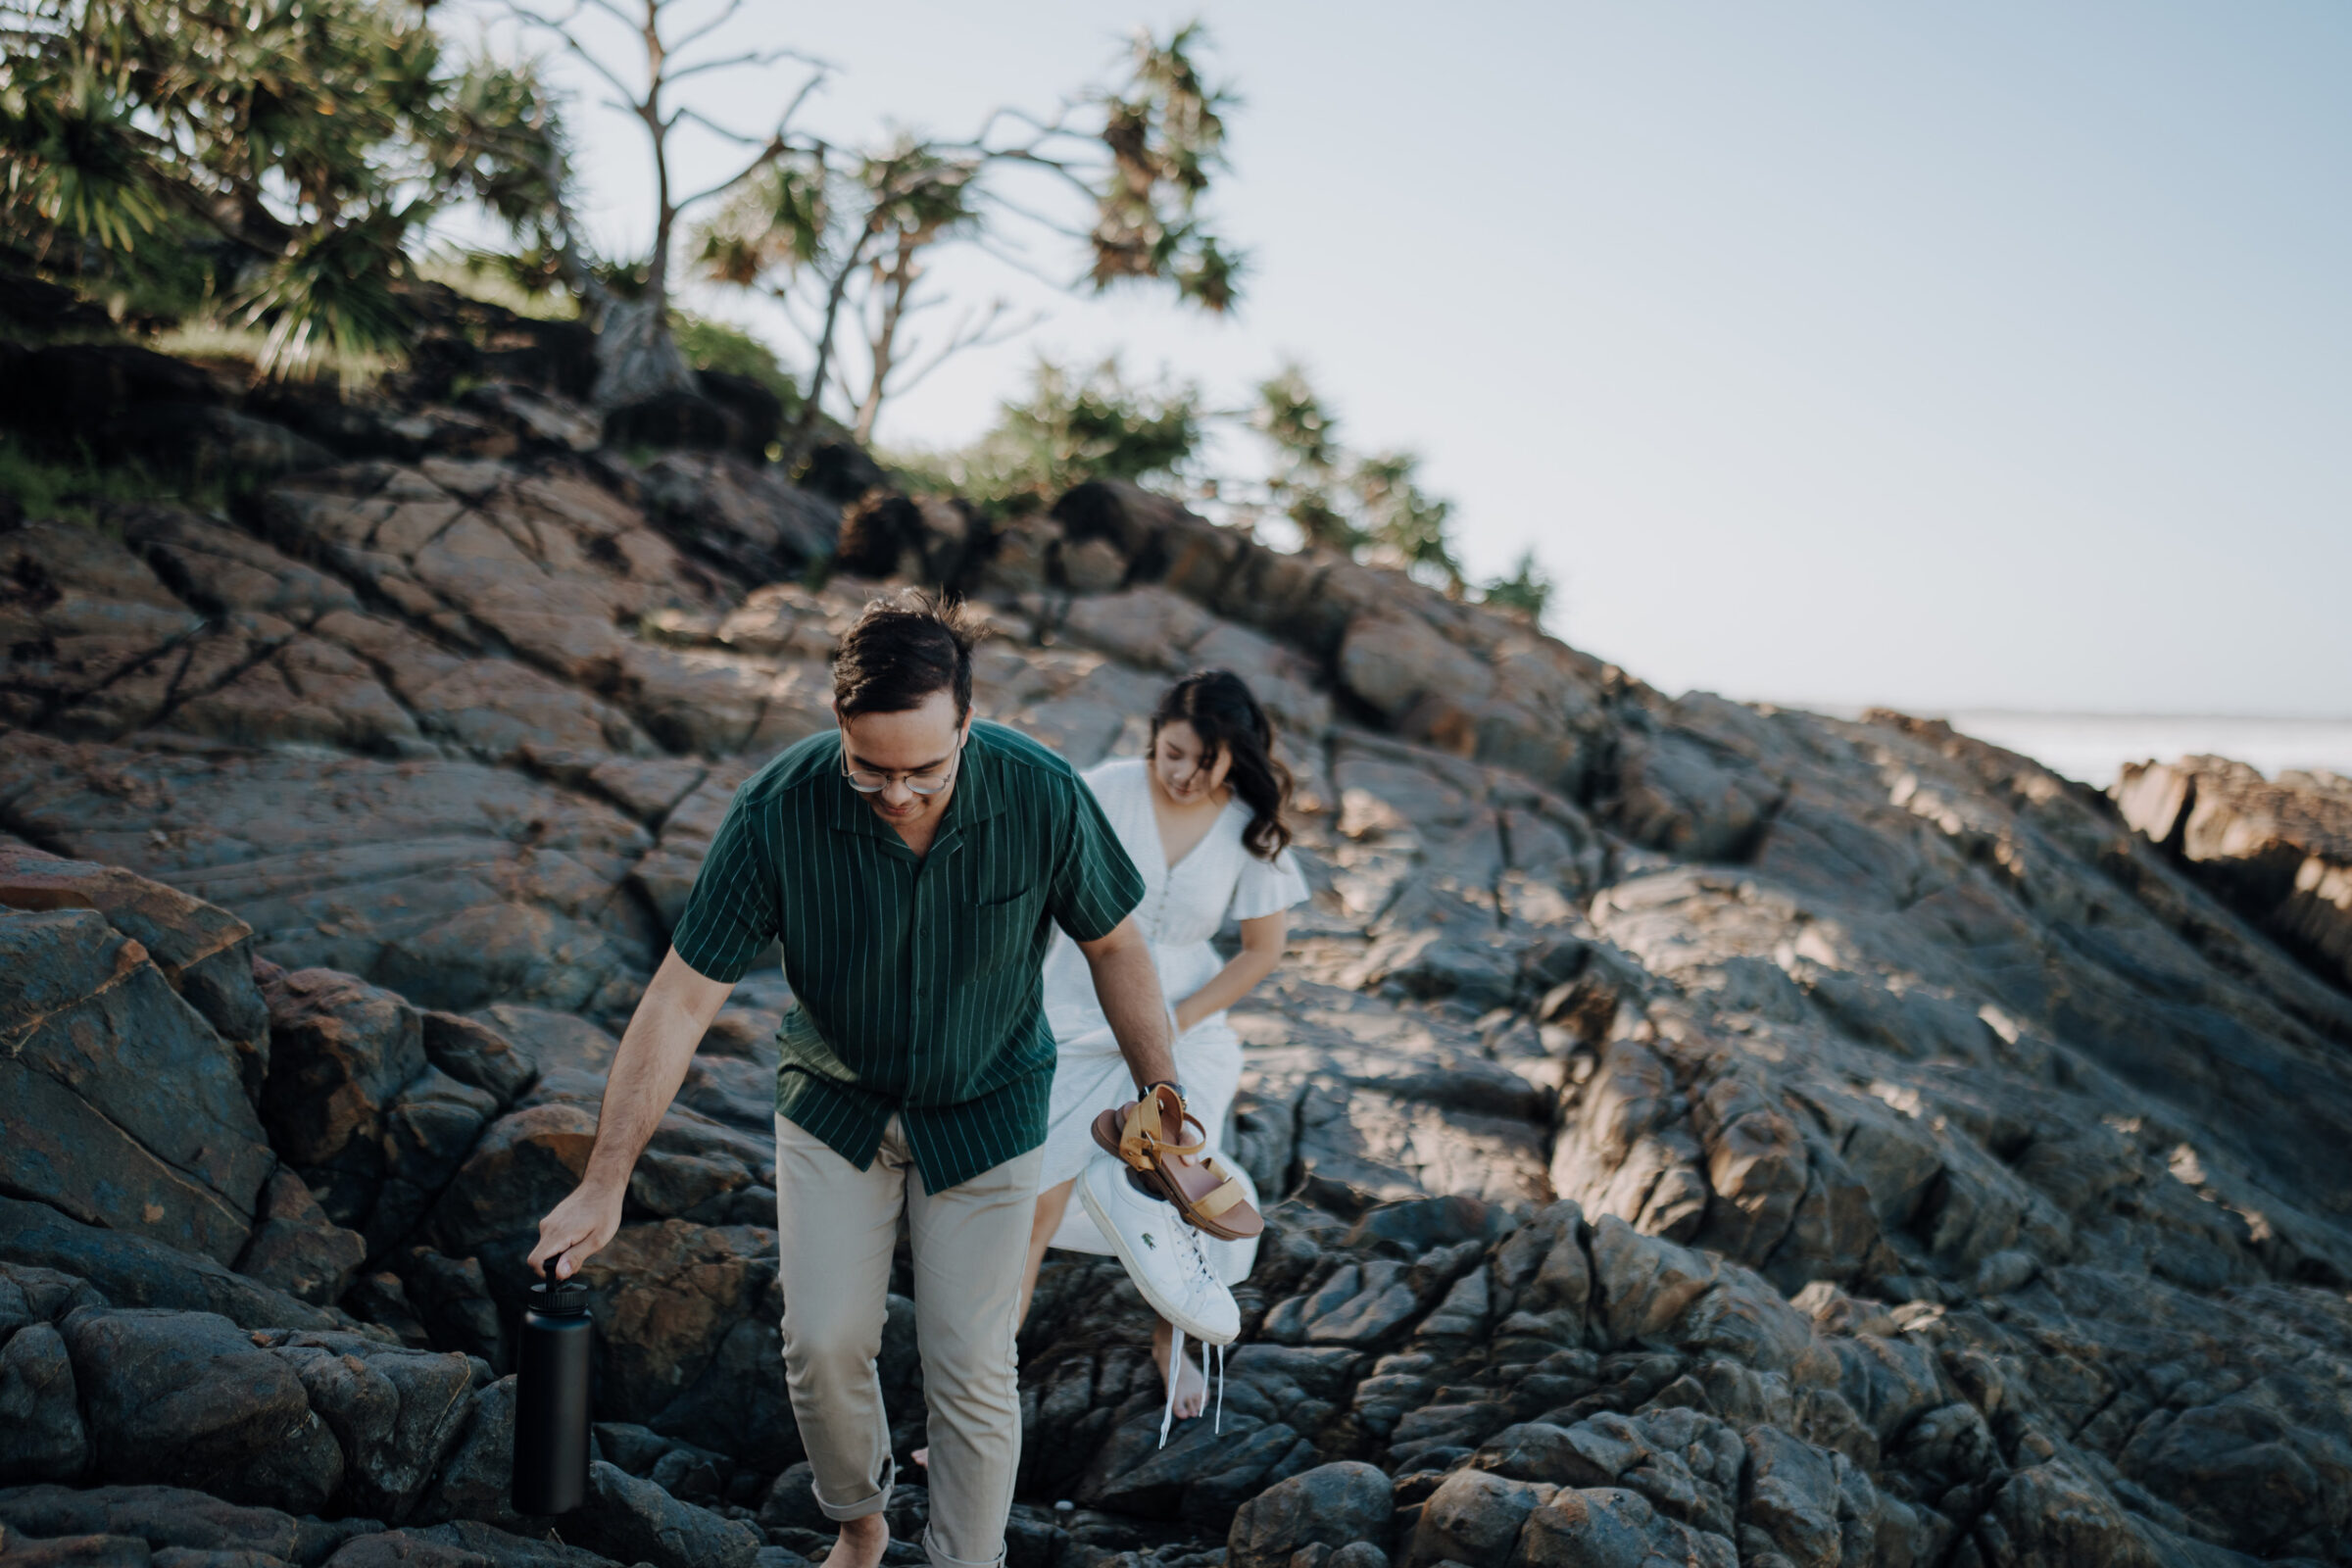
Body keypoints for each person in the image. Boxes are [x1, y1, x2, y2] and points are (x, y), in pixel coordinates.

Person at [526, 594, 1180, 1568]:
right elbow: (677, 1001)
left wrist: (1164, 1096)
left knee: (971, 1363)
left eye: (927, 767)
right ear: (839, 724)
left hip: (989, 1109)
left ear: (967, 720)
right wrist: (604, 1178)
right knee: (823, 1342)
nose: (901, 792)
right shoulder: (778, 809)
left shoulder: (1042, 792)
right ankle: (861, 1523)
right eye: (872, 769)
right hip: (837, 1107)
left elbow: (1117, 944)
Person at [1027, 668, 1308, 1417]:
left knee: (1183, 1187)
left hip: (1186, 1026)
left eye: (1206, 761)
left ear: (1235, 758)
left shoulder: (1250, 826)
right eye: (1172, 753)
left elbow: (1261, 950)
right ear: (1154, 739)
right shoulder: (1103, 790)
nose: (1184, 774)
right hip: (1070, 1009)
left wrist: (1168, 1026)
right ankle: (981, 1383)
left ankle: (1173, 1339)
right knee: (1035, 1196)